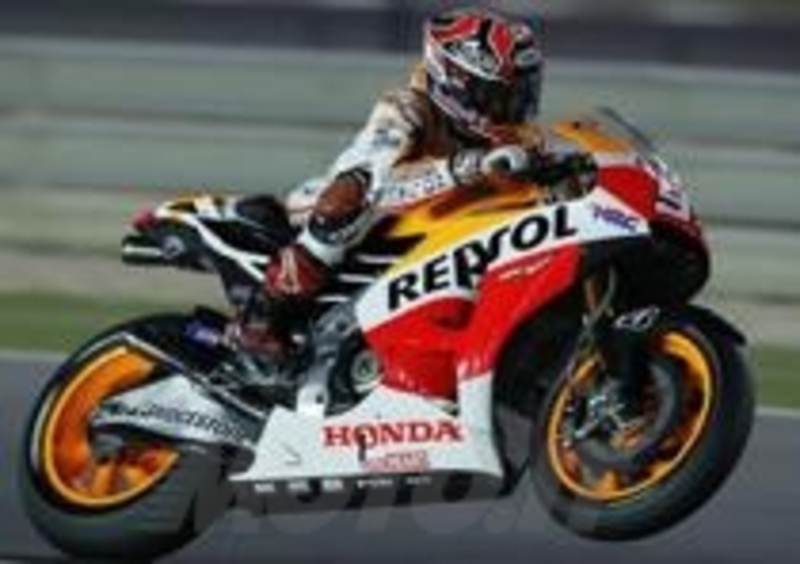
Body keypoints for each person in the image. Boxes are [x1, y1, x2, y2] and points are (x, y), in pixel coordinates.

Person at [235, 7, 587, 361]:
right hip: (342, 210)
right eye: (497, 96)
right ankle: (264, 314)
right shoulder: (406, 108)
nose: (510, 107)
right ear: (454, 81)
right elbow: (377, 182)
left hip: (440, 226)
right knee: (348, 198)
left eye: (520, 94)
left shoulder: (515, 132)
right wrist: (464, 166)